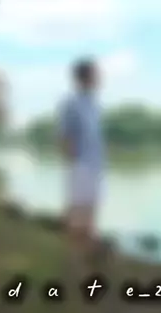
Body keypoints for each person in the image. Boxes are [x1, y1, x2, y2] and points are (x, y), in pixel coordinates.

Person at [58, 58, 106, 266]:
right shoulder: (71, 103)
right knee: (76, 211)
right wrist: (73, 164)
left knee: (92, 208)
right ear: (85, 78)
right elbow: (64, 137)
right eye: (96, 74)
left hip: (96, 164)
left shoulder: (95, 104)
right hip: (80, 164)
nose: (100, 78)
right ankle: (72, 257)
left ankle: (88, 254)